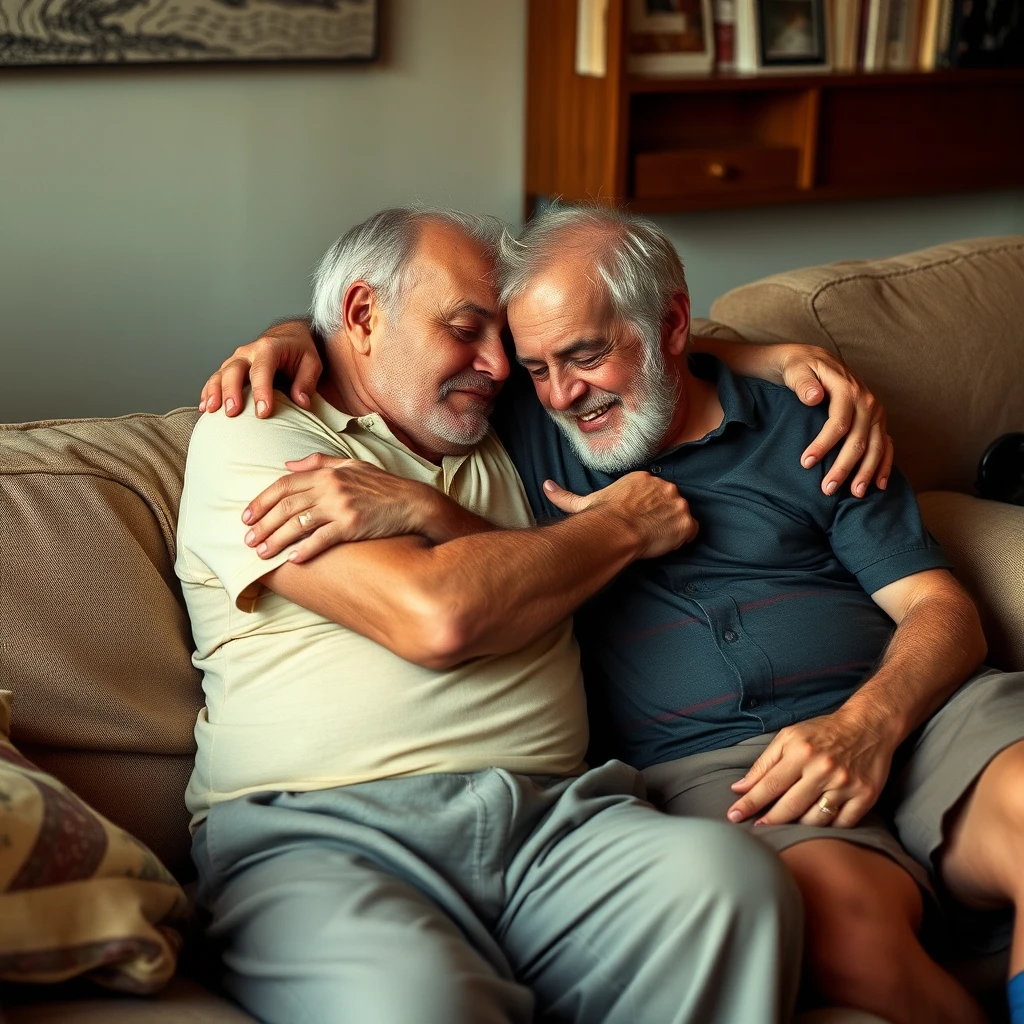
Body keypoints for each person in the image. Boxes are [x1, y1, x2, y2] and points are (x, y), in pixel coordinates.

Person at [209, 205, 1024, 1024]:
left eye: (579, 356)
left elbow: (936, 604)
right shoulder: (453, 422)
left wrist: (775, 357)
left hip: (866, 724)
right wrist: (293, 339)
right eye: (526, 360)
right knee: (839, 928)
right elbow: (445, 597)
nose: (536, 382)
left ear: (671, 325)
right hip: (695, 771)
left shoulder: (792, 424)